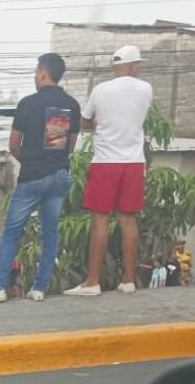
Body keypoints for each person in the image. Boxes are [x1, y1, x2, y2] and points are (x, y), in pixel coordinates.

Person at [0, 53, 81, 303]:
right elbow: (70, 146)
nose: (35, 77)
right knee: (50, 233)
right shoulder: (71, 105)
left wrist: (31, 161)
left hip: (32, 177)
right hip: (59, 176)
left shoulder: (27, 104)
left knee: (12, 230)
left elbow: (13, 144)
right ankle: (39, 288)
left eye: (36, 72)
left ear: (43, 73)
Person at [65, 45, 153, 297]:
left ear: (115, 66)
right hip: (134, 162)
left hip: (104, 161)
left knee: (100, 221)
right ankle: (128, 280)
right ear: (134, 65)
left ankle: (92, 281)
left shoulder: (101, 90)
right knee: (128, 220)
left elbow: (85, 120)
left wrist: (100, 125)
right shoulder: (146, 89)